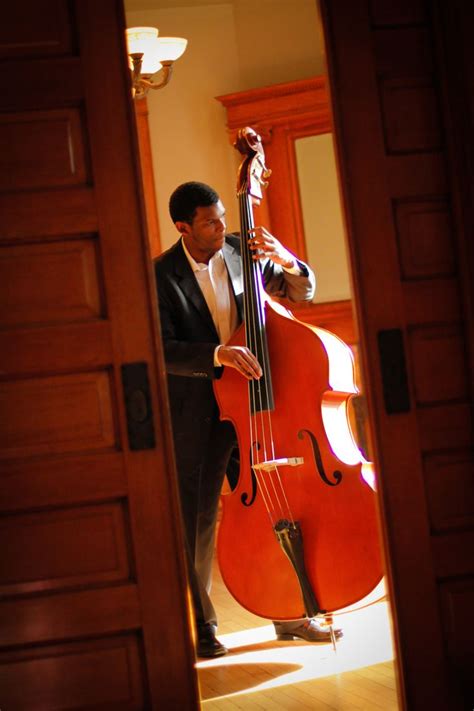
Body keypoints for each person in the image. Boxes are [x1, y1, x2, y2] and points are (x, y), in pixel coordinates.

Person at [154, 181, 341, 658]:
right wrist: (217, 353)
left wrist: (286, 259)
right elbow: (159, 348)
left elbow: (301, 290)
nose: (222, 227)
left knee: (274, 507)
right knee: (196, 523)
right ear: (183, 227)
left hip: (257, 405)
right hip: (199, 413)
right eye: (210, 222)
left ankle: (290, 616)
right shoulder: (158, 275)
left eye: (222, 216)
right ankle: (204, 628)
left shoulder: (242, 249)